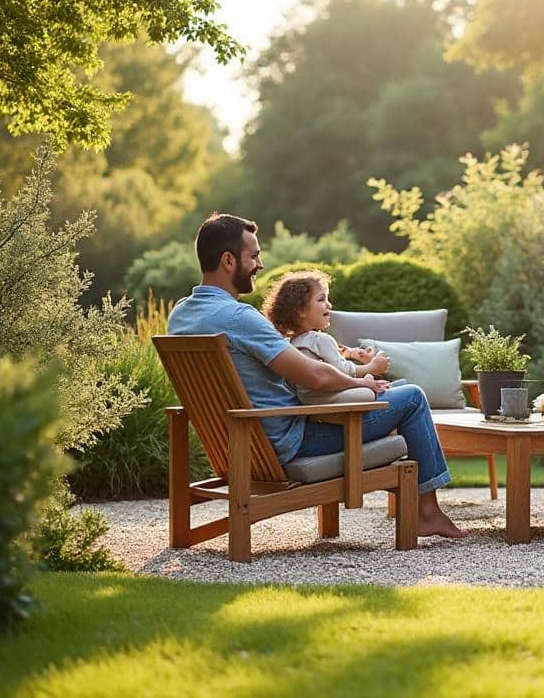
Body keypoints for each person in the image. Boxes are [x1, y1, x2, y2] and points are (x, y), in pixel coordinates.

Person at [167, 213, 467, 538]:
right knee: (412, 397)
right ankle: (426, 512)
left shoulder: (181, 315)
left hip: (237, 445)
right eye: (253, 256)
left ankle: (415, 493)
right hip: (290, 444)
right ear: (228, 260)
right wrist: (359, 380)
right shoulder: (240, 317)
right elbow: (316, 378)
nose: (260, 264)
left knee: (399, 389)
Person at [260, 269, 391, 405]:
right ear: (301, 311)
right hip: (328, 398)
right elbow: (343, 371)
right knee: (368, 393)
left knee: (396, 386)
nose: (329, 304)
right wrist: (372, 367)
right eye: (321, 299)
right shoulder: (320, 339)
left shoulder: (290, 343)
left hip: (308, 401)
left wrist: (350, 354)